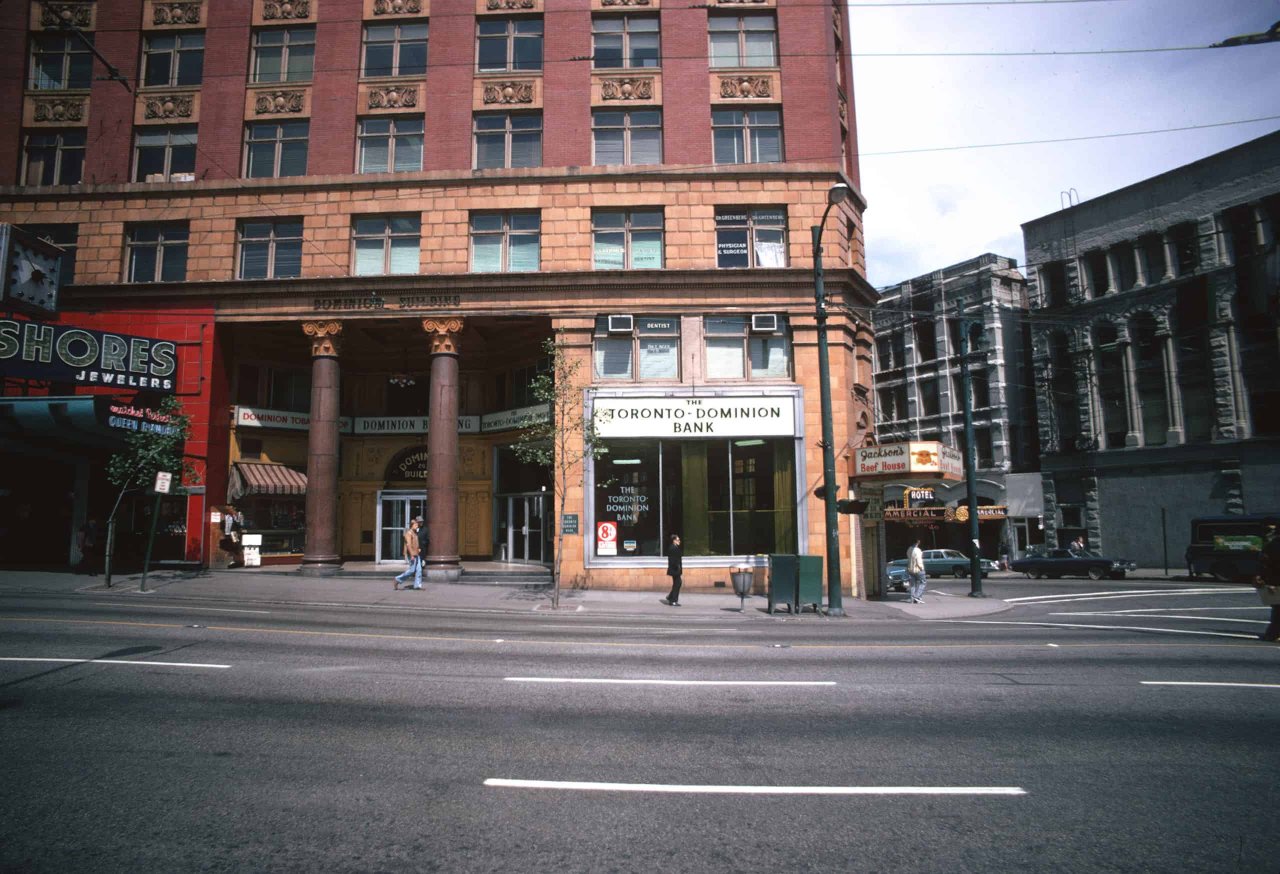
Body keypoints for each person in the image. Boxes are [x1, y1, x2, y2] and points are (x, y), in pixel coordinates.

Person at [1255, 517, 1280, 642]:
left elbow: (1265, 564)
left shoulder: (1272, 545)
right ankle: (1272, 634)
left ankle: (1272, 634)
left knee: (1277, 609)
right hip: (1276, 580)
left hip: (1275, 581)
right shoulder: (1272, 545)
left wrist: (1262, 577)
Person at [394, 516, 423, 590]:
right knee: (411, 570)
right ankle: (397, 579)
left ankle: (417, 585)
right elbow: (409, 545)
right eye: (415, 525)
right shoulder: (409, 533)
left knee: (419, 570)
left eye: (417, 525)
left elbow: (416, 543)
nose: (417, 526)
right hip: (413, 555)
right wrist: (412, 555)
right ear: (412, 525)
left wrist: (418, 549)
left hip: (417, 554)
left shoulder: (415, 533)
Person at [661, 533, 683, 606]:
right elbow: (673, 560)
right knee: (678, 583)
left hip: (675, 569)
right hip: (675, 569)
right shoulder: (673, 548)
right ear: (674, 540)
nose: (679, 541)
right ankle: (673, 600)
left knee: (677, 583)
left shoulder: (674, 547)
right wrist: (677, 566)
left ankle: (670, 597)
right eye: (678, 540)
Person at [906, 538, 926, 603]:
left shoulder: (909, 549)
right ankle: (917, 597)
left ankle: (912, 598)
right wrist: (921, 568)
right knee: (923, 582)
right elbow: (918, 560)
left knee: (912, 585)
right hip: (917, 569)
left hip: (910, 569)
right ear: (918, 542)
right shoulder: (917, 550)